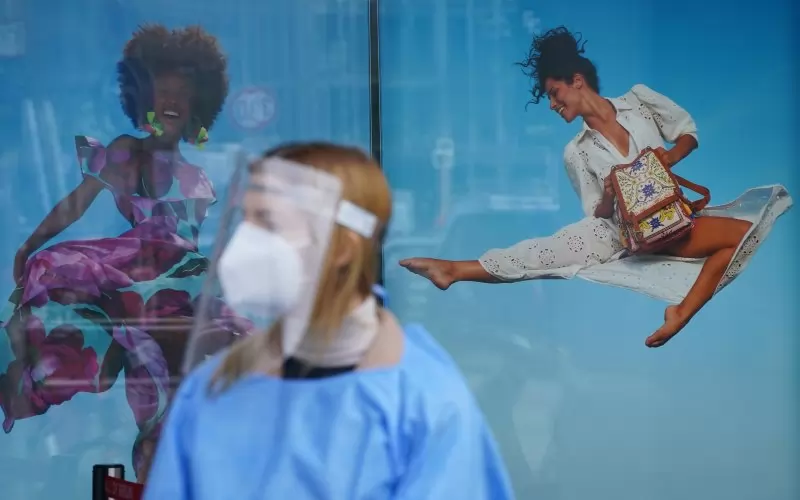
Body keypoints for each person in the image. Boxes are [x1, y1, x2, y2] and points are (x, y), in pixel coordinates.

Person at [143, 142, 515, 500]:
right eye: (245, 220)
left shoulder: (422, 403)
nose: (246, 242)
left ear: (343, 248)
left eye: (268, 222)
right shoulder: (217, 385)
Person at [400, 26, 792, 348]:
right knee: (544, 253)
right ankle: (454, 269)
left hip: (670, 219)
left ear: (576, 81)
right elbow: (597, 213)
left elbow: (687, 132)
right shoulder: (575, 152)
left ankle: (681, 313)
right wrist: (609, 193)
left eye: (554, 93)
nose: (552, 105)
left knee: (741, 235)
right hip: (618, 232)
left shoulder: (639, 101)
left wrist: (668, 159)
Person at [0, 24, 243, 481]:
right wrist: (30, 243)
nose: (172, 100)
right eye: (162, 90)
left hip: (183, 286)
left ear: (198, 102)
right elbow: (75, 204)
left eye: (182, 93)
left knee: (178, 380)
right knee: (59, 280)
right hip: (134, 274)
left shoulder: (202, 177)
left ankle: (168, 468)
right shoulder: (126, 154)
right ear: (143, 98)